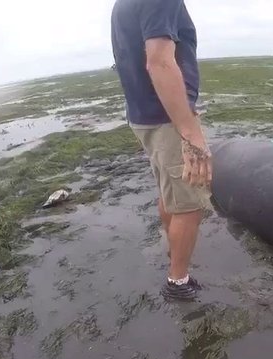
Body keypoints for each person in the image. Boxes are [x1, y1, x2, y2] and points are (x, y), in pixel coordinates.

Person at [111, 0, 213, 301]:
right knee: (190, 202)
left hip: (143, 115)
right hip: (166, 118)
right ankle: (178, 281)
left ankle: (172, 250)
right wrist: (189, 130)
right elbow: (159, 61)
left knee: (168, 191)